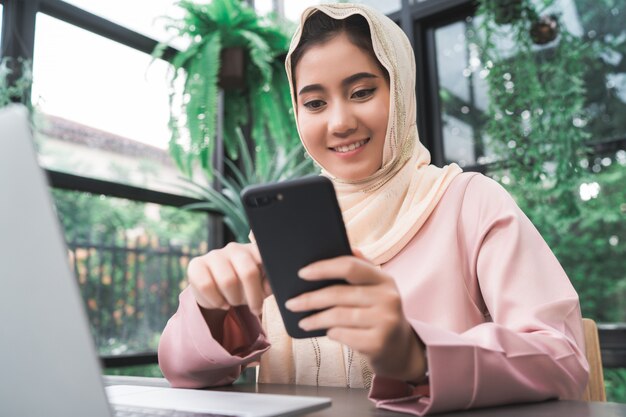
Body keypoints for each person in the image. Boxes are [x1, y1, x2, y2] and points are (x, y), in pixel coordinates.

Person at [158, 4, 588, 415]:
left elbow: (564, 360)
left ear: (399, 88)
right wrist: (211, 307)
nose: (339, 122)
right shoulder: (285, 226)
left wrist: (416, 355)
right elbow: (181, 370)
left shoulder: (467, 201)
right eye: (314, 103)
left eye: (362, 92)